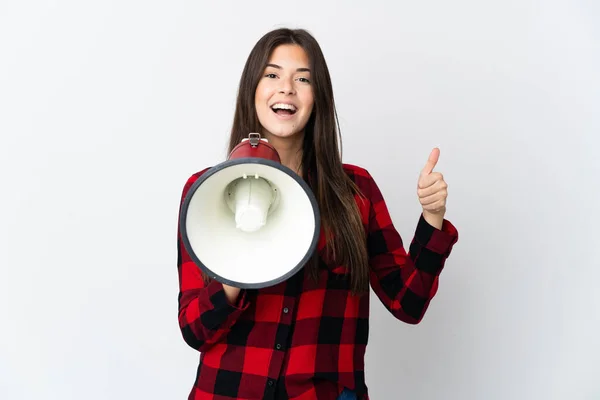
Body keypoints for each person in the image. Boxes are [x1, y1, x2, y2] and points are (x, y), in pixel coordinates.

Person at [176, 27, 459, 400]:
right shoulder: (207, 192)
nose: (286, 88)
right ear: (253, 89)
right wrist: (236, 263)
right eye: (272, 75)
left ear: (317, 97)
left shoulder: (355, 192)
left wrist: (432, 216)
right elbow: (196, 330)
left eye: (303, 79)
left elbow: (408, 303)